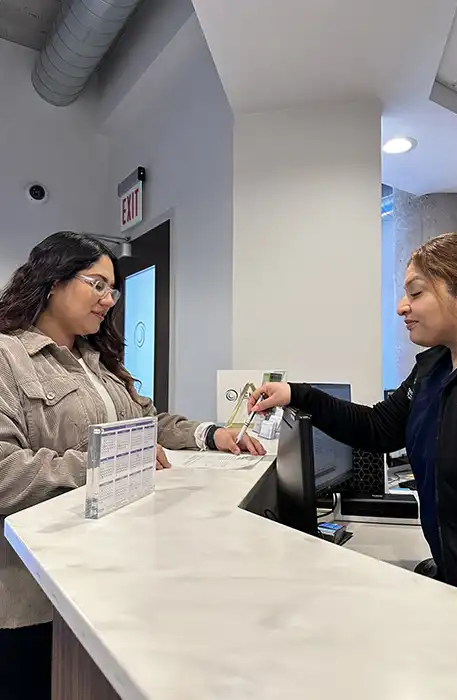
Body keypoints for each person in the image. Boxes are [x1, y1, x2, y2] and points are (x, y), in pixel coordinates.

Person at [0, 231, 264, 700]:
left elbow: (149, 422)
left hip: (109, 578)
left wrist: (211, 434)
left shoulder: (96, 362)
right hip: (33, 597)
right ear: (52, 281)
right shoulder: (7, 358)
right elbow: (5, 474)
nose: (108, 299)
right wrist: (112, 462)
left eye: (113, 289)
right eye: (96, 284)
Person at [249, 232, 457, 603]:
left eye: (416, 293)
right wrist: (298, 394)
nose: (402, 307)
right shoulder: (432, 369)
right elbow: (379, 428)